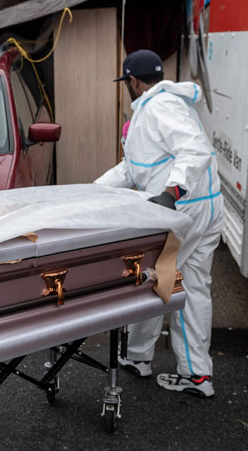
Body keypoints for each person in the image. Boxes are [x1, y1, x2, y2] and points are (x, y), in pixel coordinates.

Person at [95, 49, 223, 398]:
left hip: (183, 211)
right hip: (204, 206)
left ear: (132, 82)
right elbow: (132, 168)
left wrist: (171, 192)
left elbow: (196, 149)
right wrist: (93, 192)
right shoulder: (167, 105)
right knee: (192, 287)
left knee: (159, 282)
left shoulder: (158, 107)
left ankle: (139, 358)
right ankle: (197, 374)